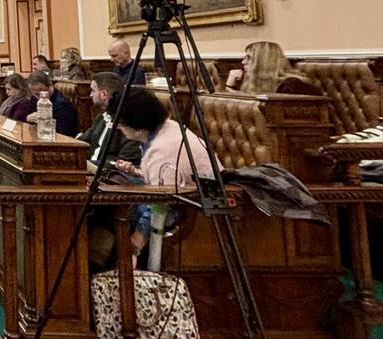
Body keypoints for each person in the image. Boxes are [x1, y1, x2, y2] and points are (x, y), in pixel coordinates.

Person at [113, 89, 219, 261]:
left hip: (195, 212)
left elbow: (162, 202)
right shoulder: (169, 129)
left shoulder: (163, 148)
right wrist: (135, 171)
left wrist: (135, 243)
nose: (118, 127)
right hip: (183, 201)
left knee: (112, 215)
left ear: (136, 123)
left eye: (120, 122)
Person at [76, 72, 142, 166]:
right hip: (91, 169)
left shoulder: (129, 121)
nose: (90, 95)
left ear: (104, 94)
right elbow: (83, 141)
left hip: (109, 175)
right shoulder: (102, 116)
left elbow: (126, 160)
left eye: (93, 91)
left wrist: (88, 165)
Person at [225, 41, 321, 95]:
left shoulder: (292, 86)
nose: (243, 62)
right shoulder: (256, 82)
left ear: (263, 61)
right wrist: (229, 86)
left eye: (249, 58)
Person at [27, 70, 79, 136]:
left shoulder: (62, 103)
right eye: (36, 94)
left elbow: (63, 131)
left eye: (42, 92)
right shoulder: (34, 99)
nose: (40, 97)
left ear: (50, 85)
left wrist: (42, 121)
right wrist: (28, 118)